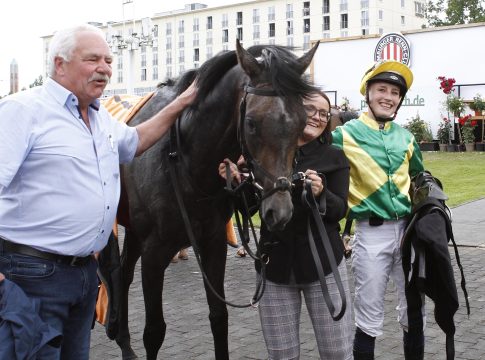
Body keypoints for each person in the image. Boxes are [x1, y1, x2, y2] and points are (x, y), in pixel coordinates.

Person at [0, 24, 197, 359]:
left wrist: (182, 103)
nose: (104, 67)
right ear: (59, 64)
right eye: (92, 59)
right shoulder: (23, 111)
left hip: (84, 276)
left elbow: (136, 141)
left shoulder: (99, 117)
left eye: (108, 60)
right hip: (30, 276)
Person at [219, 90, 353, 359]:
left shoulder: (334, 156)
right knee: (282, 355)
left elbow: (340, 210)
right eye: (310, 109)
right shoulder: (265, 154)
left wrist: (320, 194)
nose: (317, 117)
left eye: (323, 113)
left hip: (324, 266)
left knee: (337, 353)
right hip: (276, 268)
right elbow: (253, 208)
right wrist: (235, 182)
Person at [332, 60, 425, 360]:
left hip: (408, 233)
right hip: (370, 235)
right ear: (368, 94)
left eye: (395, 92)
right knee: (369, 315)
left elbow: (419, 180)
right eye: (381, 89)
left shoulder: (408, 138)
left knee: (414, 310)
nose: (388, 96)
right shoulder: (343, 135)